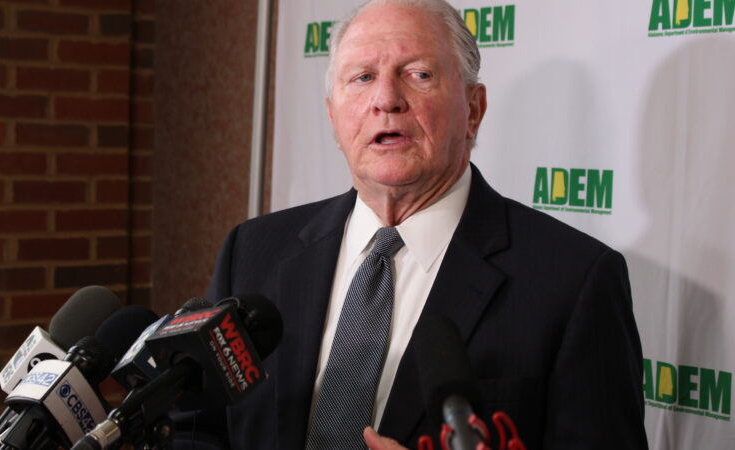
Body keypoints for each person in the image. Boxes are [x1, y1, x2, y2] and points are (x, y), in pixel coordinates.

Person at [188, 0, 648, 448]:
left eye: (419, 75)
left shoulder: (573, 281)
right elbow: (197, 427)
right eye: (363, 77)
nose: (386, 99)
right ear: (332, 115)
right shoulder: (252, 251)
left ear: (473, 109)